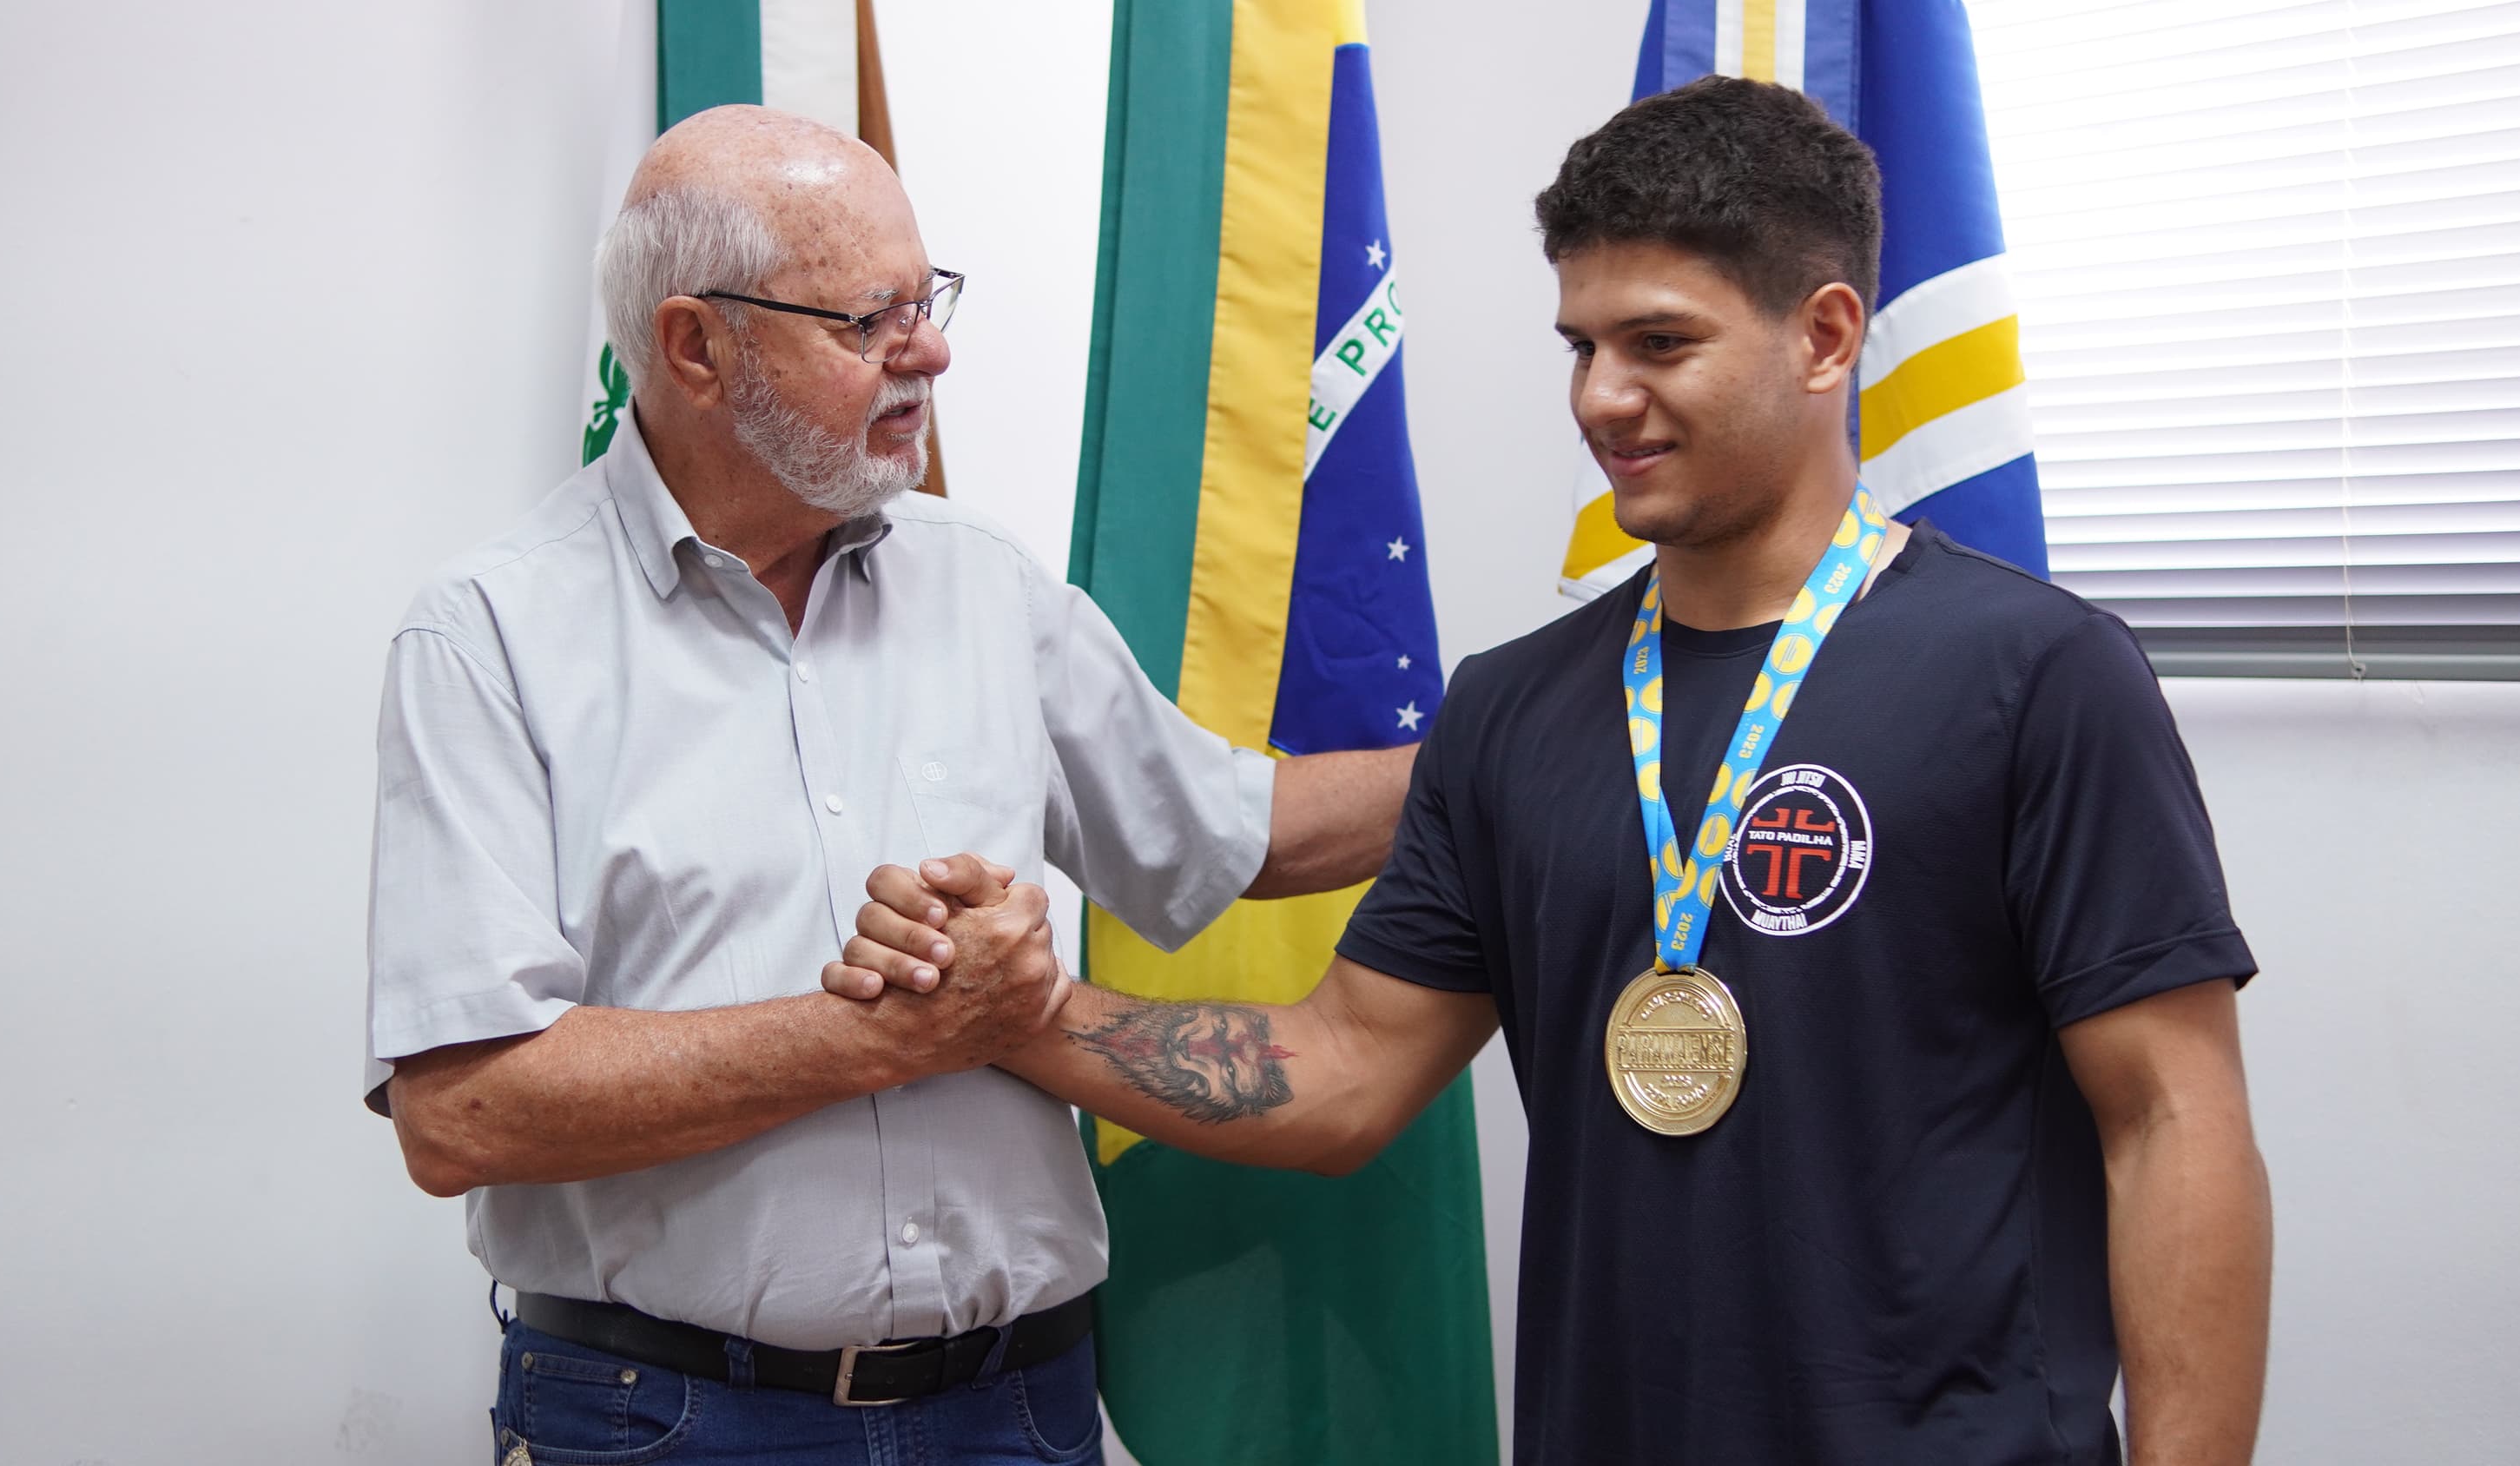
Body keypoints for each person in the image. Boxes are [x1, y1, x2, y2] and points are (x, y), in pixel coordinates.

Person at [831, 78, 2273, 1465]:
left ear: (1826, 337)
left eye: (1660, 343)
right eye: (1582, 346)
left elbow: (2172, 1124)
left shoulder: (2038, 677)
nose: (1603, 398)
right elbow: (1343, 1070)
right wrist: (1028, 1014)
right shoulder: (1514, 710)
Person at [362, 106, 1414, 1465]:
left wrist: (1538, 725)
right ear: (695, 347)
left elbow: (1242, 834)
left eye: (927, 302)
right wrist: (885, 1033)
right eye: (869, 322)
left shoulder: (989, 586)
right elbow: (461, 1111)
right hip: (669, 1420)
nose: (930, 353)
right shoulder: (490, 636)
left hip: (1015, 1408)